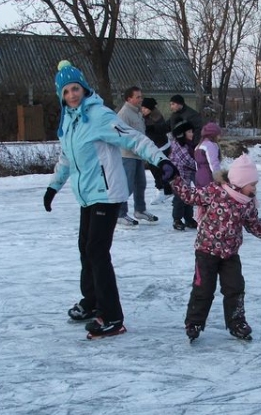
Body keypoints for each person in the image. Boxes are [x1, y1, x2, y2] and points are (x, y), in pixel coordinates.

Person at [43, 60, 176, 339]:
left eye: (75, 88)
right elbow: (67, 159)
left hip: (107, 193)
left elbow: (134, 139)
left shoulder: (99, 116)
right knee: (85, 247)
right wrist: (54, 186)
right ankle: (92, 302)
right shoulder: (69, 122)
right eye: (66, 92)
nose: (72, 95)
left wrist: (161, 160)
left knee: (96, 251)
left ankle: (112, 316)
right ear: (61, 96)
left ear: (84, 88)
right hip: (87, 196)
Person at [169, 153, 261, 342]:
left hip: (230, 253)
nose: (255, 189)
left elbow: (253, 224)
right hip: (206, 251)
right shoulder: (215, 192)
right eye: (252, 184)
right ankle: (194, 322)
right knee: (204, 288)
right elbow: (190, 195)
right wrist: (174, 179)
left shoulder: (246, 204)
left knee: (235, 287)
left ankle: (236, 322)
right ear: (240, 181)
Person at [117, 86, 158, 227]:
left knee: (140, 184)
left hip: (138, 155)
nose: (141, 99)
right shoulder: (124, 114)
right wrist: (134, 148)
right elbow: (121, 136)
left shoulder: (138, 113)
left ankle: (140, 209)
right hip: (127, 155)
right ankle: (120, 213)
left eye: (141, 96)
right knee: (126, 185)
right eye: (138, 97)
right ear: (129, 98)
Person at [141, 97, 173, 205]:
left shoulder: (155, 118)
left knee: (157, 169)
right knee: (155, 169)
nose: (143, 110)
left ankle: (163, 190)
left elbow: (158, 129)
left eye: (145, 108)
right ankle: (164, 189)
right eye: (142, 108)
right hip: (153, 147)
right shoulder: (146, 116)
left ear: (150, 108)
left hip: (160, 147)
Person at [169, 120, 198, 229]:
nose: (192, 134)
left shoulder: (188, 144)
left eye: (192, 132)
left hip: (186, 176)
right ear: (182, 133)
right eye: (189, 132)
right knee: (179, 198)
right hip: (178, 177)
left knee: (188, 196)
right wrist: (201, 166)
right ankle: (177, 220)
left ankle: (188, 218)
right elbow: (188, 161)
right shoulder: (178, 145)